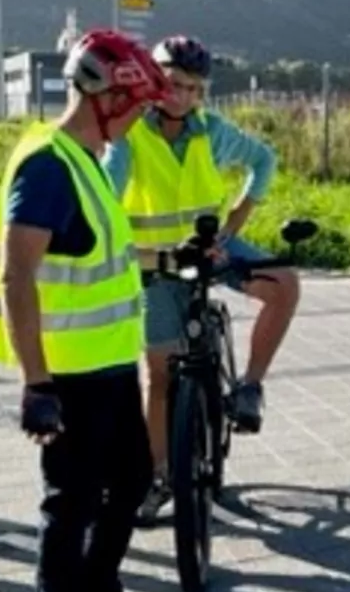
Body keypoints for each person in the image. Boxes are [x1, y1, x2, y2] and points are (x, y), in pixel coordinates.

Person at [0, 28, 167, 592]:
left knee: (134, 480)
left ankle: (96, 589)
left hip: (109, 364)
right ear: (106, 100)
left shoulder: (87, 162)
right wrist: (36, 385)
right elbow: (17, 276)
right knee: (72, 505)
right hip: (70, 374)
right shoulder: (47, 168)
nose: (140, 119)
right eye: (137, 106)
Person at [100, 35, 302, 524]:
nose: (182, 97)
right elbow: (107, 202)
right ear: (153, 82)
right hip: (155, 265)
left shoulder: (211, 130)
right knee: (161, 378)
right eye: (172, 85)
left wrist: (236, 220)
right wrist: (141, 254)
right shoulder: (129, 137)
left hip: (210, 249)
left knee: (285, 285)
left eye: (193, 88)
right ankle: (158, 475)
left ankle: (250, 386)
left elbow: (263, 161)